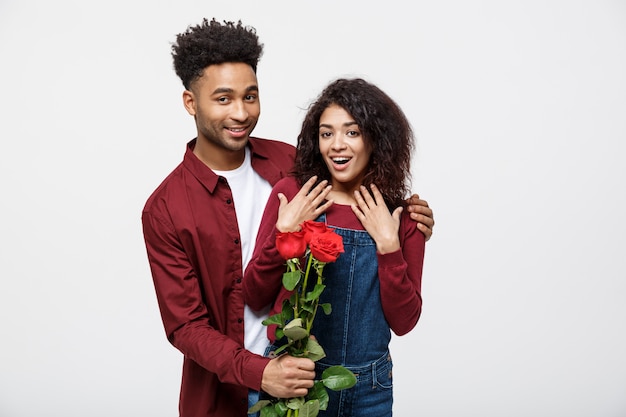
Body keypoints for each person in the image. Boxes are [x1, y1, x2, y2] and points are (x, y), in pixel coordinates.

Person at [142, 18, 435, 417]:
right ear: (191, 103)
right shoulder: (165, 209)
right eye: (223, 99)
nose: (241, 113)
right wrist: (261, 372)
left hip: (325, 379)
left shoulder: (290, 166)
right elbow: (185, 325)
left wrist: (406, 228)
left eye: (251, 96)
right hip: (229, 389)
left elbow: (354, 187)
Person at [244, 78, 426, 416]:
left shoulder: (404, 217)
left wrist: (389, 247)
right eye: (327, 133)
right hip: (294, 382)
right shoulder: (294, 195)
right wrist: (283, 232)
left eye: (352, 132)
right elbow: (254, 295)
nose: (337, 145)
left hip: (370, 391)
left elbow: (404, 321)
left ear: (376, 139)